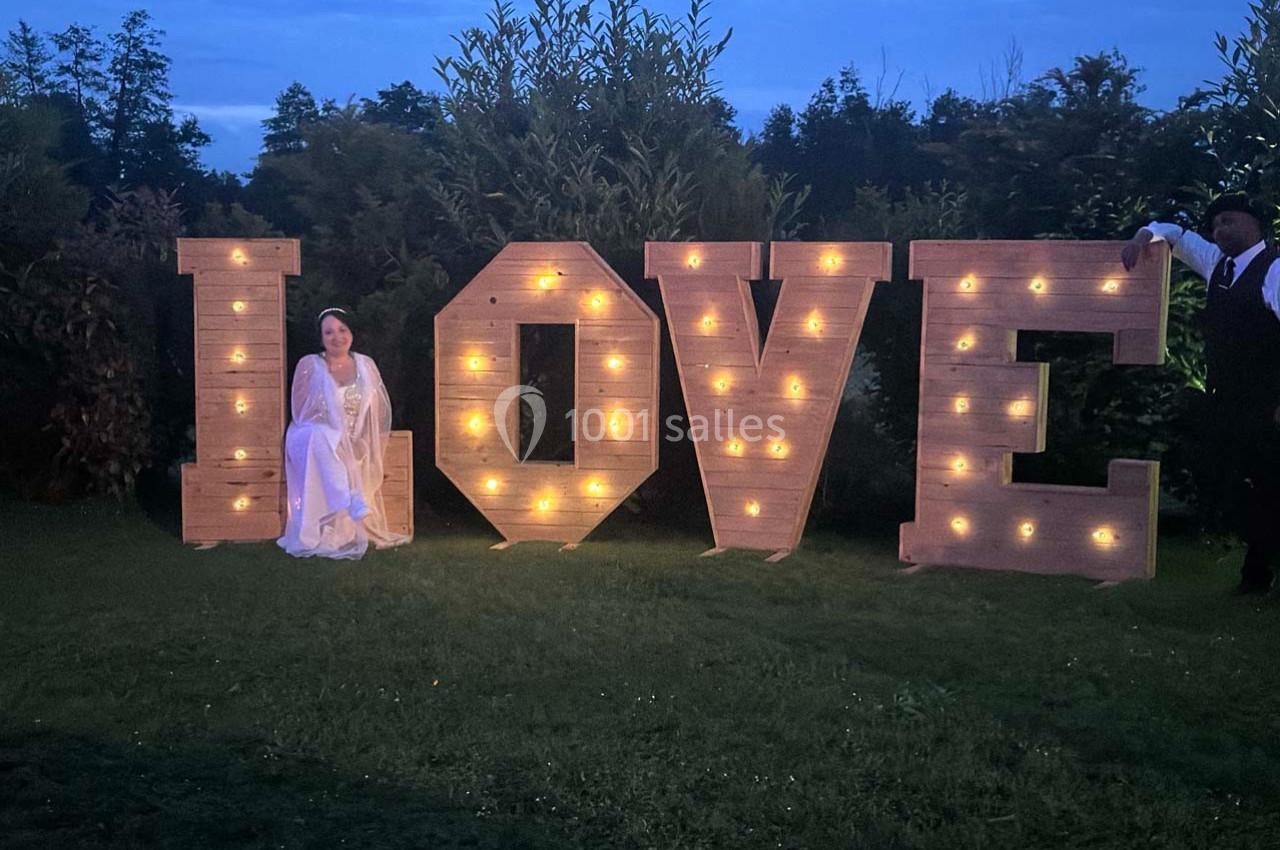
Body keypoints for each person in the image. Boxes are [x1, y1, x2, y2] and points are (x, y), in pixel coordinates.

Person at [1122, 193, 1280, 594]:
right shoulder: (1216, 264)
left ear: (1254, 224)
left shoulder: (1275, 269)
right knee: (1221, 481)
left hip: (1267, 404)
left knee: (1267, 486)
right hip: (1225, 399)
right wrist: (1142, 237)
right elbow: (1174, 233)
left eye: (1229, 221)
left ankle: (1256, 576)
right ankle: (1261, 558)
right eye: (1215, 224)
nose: (1220, 230)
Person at [277, 307, 409, 559]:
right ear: (321, 338)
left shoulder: (365, 365)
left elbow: (377, 411)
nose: (336, 337)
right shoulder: (310, 364)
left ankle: (343, 510)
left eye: (342, 330)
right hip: (309, 436)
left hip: (350, 439)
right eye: (329, 332)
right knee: (321, 436)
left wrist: (360, 441)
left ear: (351, 333)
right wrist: (337, 438)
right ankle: (350, 498)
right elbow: (301, 411)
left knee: (341, 451)